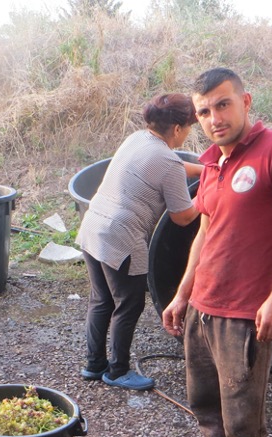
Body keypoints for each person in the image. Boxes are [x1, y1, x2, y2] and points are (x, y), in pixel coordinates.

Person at [162, 68, 272, 437]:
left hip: (245, 314)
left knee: (243, 426)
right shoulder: (211, 163)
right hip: (202, 307)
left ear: (245, 102)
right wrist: (182, 295)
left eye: (223, 104)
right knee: (205, 408)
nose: (215, 117)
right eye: (204, 111)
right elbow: (204, 234)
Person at [77, 93, 202, 391]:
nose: (188, 133)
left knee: (101, 299)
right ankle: (118, 371)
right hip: (121, 237)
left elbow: (170, 167)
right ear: (176, 129)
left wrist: (204, 171)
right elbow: (183, 217)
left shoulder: (137, 140)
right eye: (188, 127)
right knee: (129, 303)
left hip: (94, 225)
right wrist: (207, 196)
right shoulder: (168, 160)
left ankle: (94, 365)